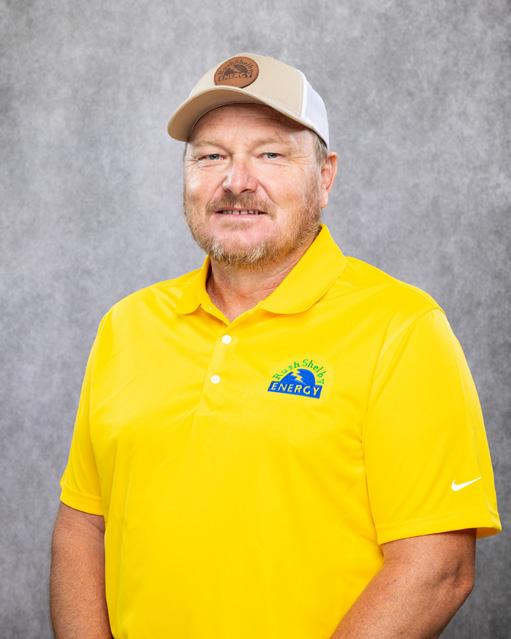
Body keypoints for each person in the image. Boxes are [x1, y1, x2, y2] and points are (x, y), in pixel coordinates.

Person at [50, 52, 502, 639]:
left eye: (270, 154)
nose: (236, 181)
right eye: (210, 156)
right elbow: (83, 525)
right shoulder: (126, 325)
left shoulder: (402, 327)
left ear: (326, 176)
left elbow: (437, 568)